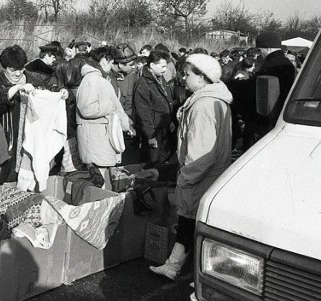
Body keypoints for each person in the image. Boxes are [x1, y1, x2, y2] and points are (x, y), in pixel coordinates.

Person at [150, 54, 232, 280]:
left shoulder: (204, 105)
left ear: (202, 77)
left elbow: (201, 152)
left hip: (200, 175)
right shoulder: (212, 99)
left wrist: (185, 178)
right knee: (192, 225)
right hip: (207, 174)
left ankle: (188, 271)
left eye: (188, 74)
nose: (183, 78)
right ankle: (177, 267)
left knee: (192, 223)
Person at [0, 45, 42, 186]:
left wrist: (62, 92)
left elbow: (49, 90)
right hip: (6, 143)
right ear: (5, 68)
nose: (18, 74)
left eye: (21, 69)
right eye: (13, 70)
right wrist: (17, 87)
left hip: (28, 142)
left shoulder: (32, 81)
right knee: (6, 182)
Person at [75, 57, 133, 188]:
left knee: (101, 177)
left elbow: (115, 105)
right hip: (96, 136)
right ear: (102, 61)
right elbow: (86, 108)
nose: (112, 66)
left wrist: (125, 124)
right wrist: (109, 106)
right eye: (111, 62)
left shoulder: (98, 79)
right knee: (97, 179)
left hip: (101, 135)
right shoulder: (91, 80)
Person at [133, 51, 175, 168]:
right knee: (152, 163)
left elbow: (167, 101)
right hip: (153, 132)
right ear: (152, 65)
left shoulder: (160, 79)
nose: (165, 69)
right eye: (162, 66)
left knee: (162, 161)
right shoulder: (143, 84)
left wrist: (169, 120)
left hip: (164, 128)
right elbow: (143, 113)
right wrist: (150, 136)